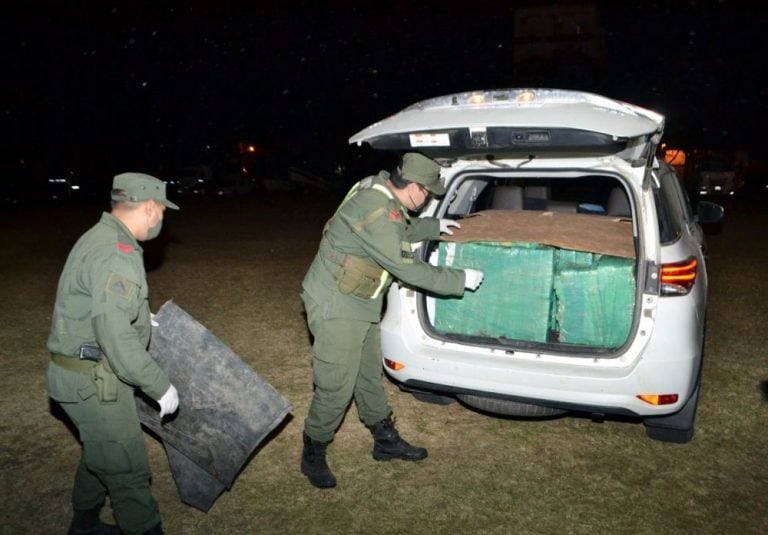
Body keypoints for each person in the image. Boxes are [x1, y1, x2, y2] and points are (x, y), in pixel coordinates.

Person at [300, 152, 485, 488]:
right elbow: (406, 266)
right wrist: (460, 279)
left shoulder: (380, 190)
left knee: (368, 374)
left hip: (359, 299)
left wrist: (433, 226)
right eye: (427, 192)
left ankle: (384, 441)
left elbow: (399, 224)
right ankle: (313, 449)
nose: (428, 198)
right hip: (335, 304)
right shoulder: (377, 210)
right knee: (336, 386)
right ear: (412, 187)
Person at [47, 172, 180, 535]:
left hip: (78, 373)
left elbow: (101, 304)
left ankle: (85, 523)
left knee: (102, 452)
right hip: (92, 381)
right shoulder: (116, 253)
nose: (161, 220)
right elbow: (115, 334)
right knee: (127, 470)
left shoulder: (101, 236)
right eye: (162, 212)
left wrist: (139, 314)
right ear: (150, 207)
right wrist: (160, 385)